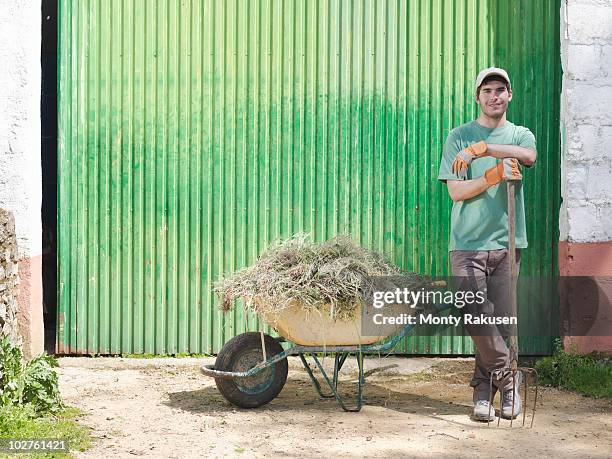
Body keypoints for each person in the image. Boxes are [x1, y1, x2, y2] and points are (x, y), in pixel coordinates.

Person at [437, 68, 537, 421]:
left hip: (507, 242)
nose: (494, 96)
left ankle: (483, 391)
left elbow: (528, 157)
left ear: (509, 96)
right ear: (477, 97)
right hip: (466, 244)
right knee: (475, 314)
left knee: (502, 321)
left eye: (501, 90)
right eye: (487, 91)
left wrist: (486, 150)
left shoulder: (521, 134)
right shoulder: (458, 136)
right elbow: (455, 191)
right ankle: (509, 382)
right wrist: (493, 174)